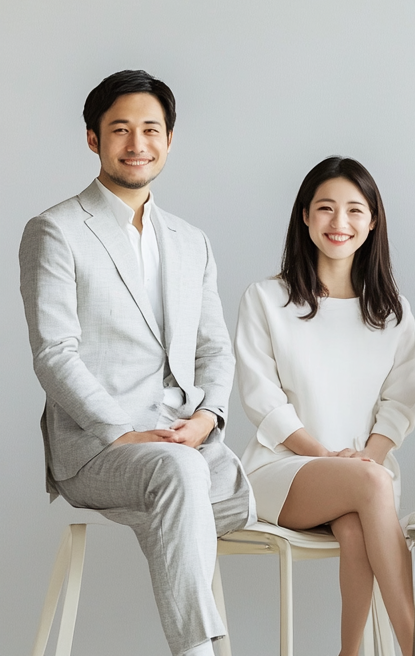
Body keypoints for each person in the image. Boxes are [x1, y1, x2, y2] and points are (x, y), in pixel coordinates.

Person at [19, 70, 253, 656]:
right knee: (180, 477)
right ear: (94, 139)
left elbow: (213, 350)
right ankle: (201, 652)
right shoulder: (56, 231)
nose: (137, 143)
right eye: (120, 129)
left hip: (185, 438)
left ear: (169, 139)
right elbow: (53, 353)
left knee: (210, 484)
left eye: (151, 129)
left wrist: (209, 419)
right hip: (98, 448)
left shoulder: (189, 240)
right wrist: (123, 431)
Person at [234, 156, 415, 656]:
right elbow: (264, 400)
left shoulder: (393, 313)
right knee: (371, 485)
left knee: (355, 523)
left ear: (372, 221)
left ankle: (352, 652)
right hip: (283, 471)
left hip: (364, 475)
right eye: (325, 209)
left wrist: (367, 456)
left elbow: (401, 402)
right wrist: (329, 457)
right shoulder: (266, 299)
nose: (339, 223)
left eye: (353, 210)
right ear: (305, 216)